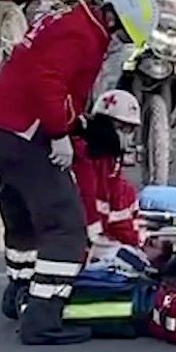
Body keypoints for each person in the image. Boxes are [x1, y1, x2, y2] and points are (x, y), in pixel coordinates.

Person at [0, 0, 158, 345]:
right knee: (66, 226)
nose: (119, 41)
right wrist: (60, 133)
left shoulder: (70, 20)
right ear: (113, 19)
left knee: (22, 213)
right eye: (122, 34)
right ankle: (42, 318)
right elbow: (48, 82)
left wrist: (79, 125)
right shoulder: (82, 35)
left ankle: (20, 292)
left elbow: (49, 80)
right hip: (22, 131)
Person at [71, 89, 150, 266]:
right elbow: (89, 203)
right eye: (121, 128)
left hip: (93, 242)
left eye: (129, 130)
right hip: (79, 245)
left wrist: (138, 241)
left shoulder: (110, 163)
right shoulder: (84, 156)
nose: (126, 136)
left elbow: (117, 212)